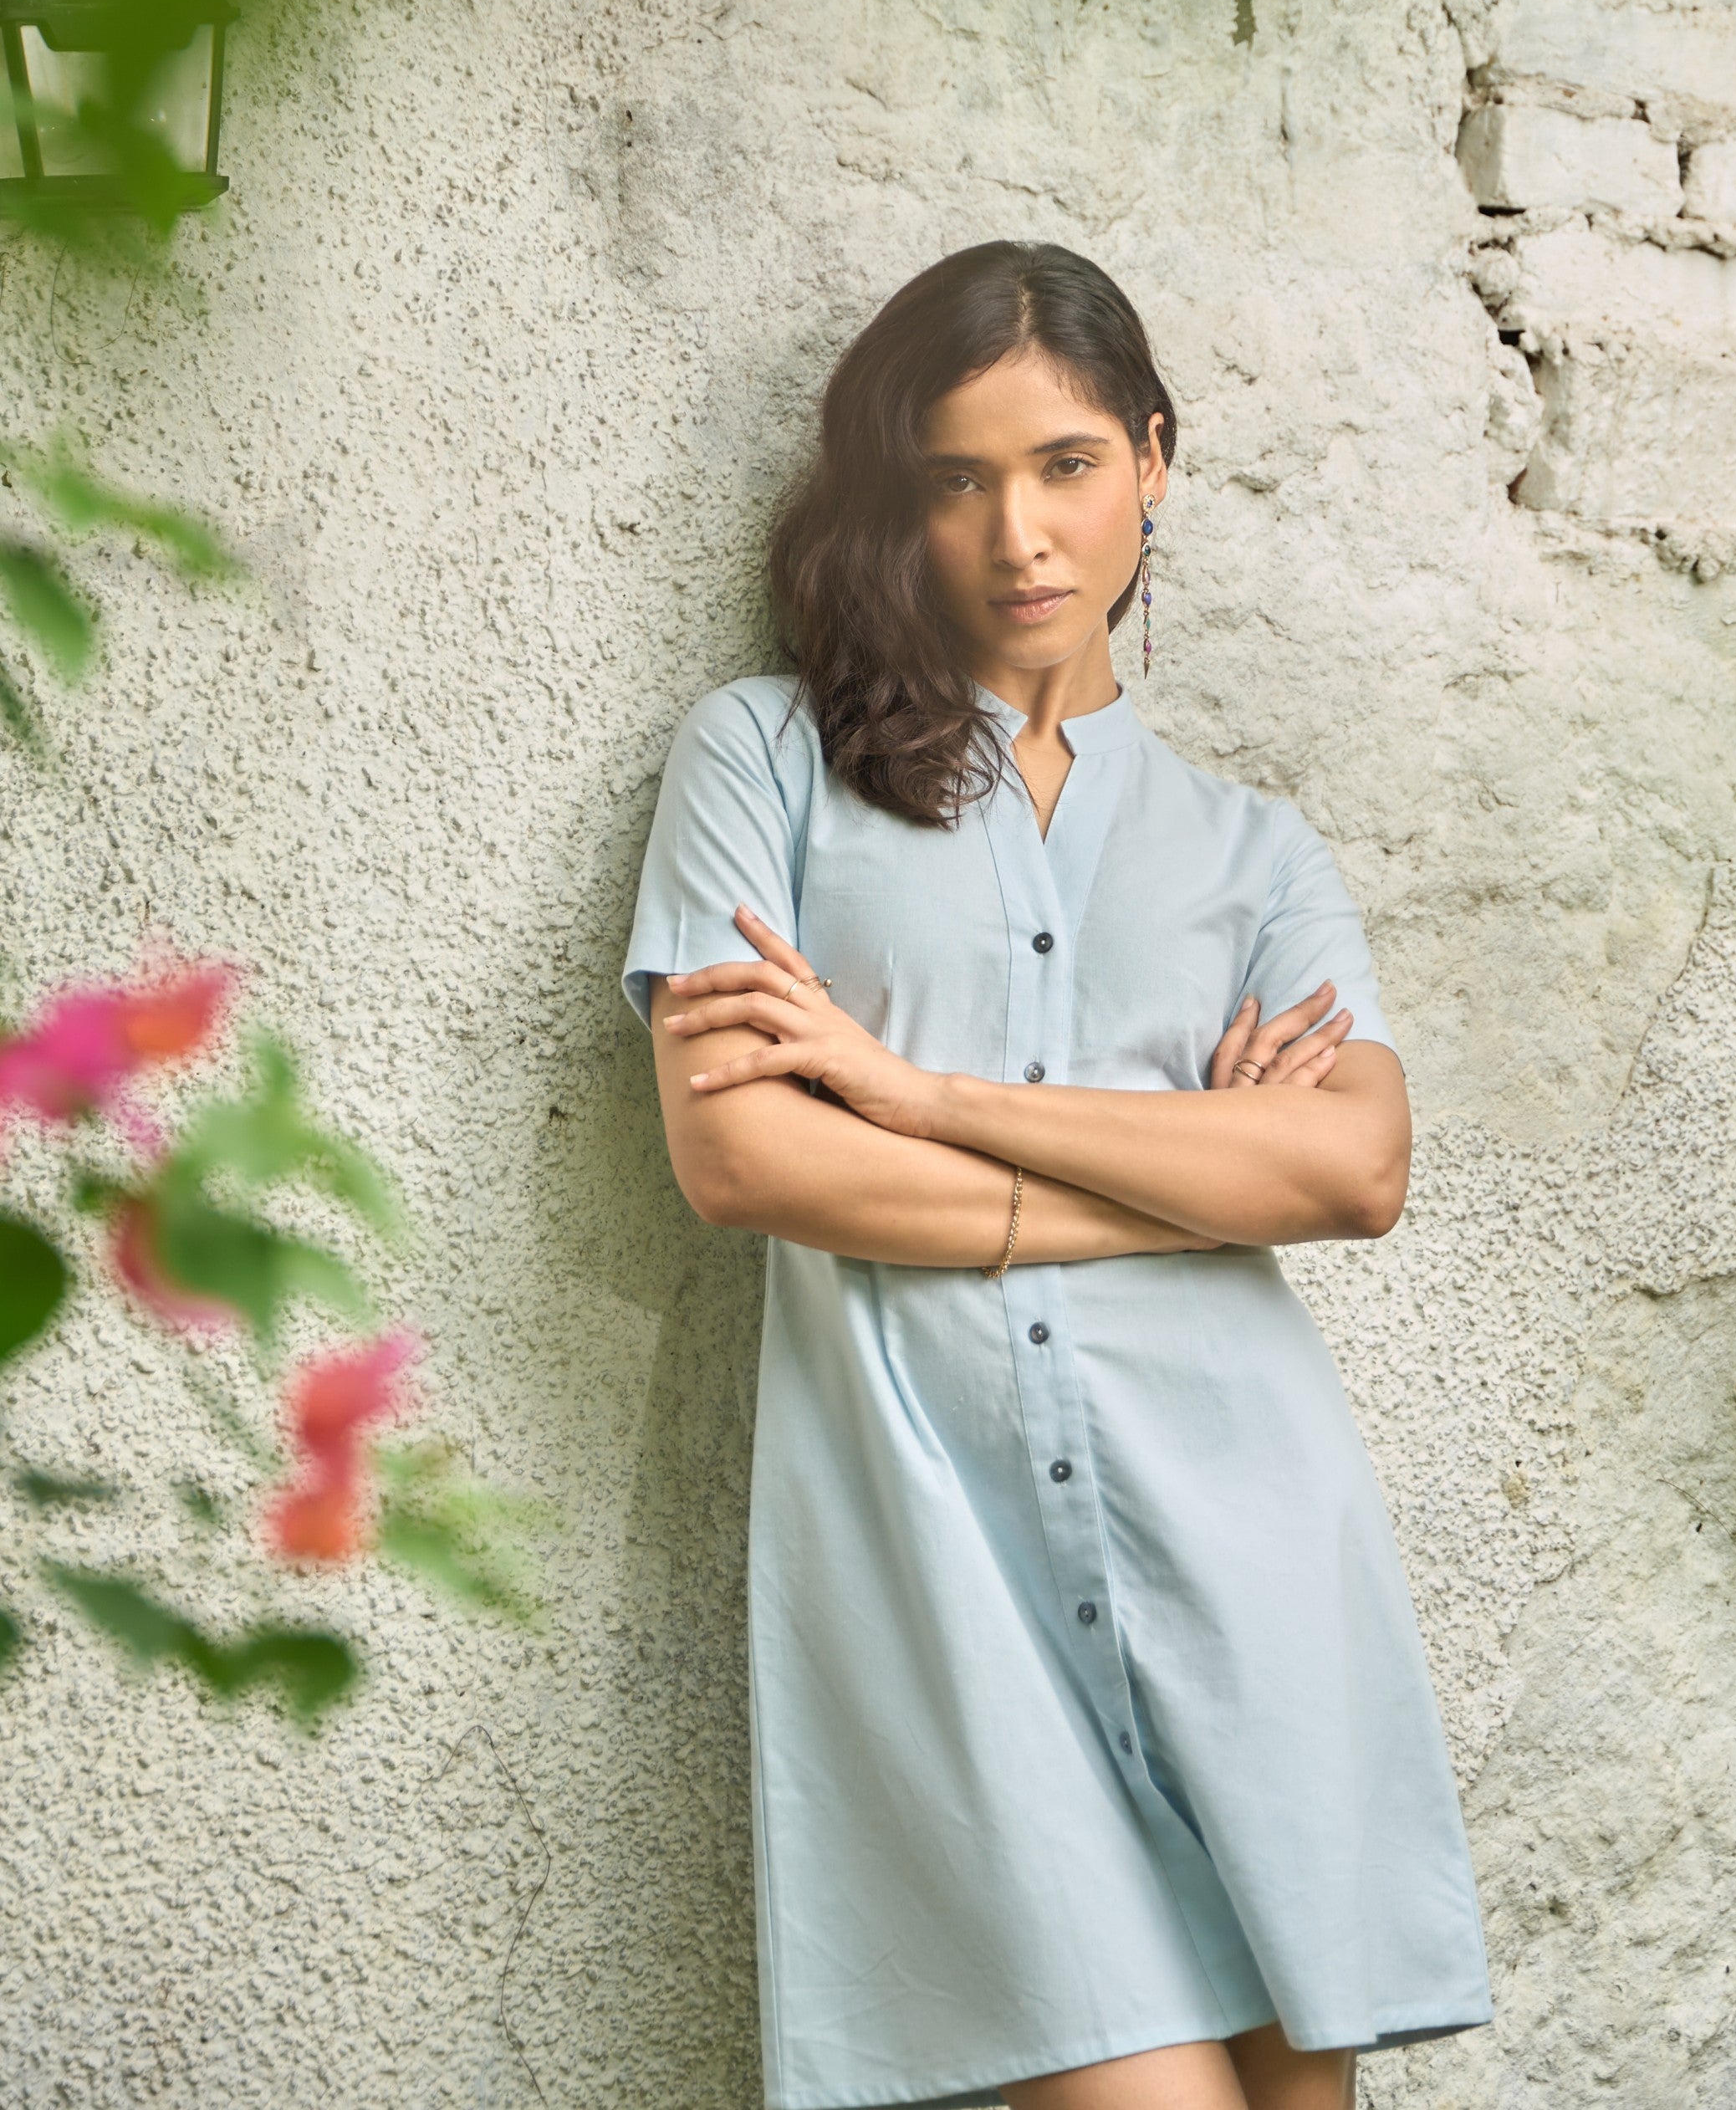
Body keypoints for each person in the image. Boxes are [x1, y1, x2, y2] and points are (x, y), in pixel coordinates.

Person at [626, 241, 1492, 2110]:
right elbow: (744, 1154)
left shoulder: (1253, 852)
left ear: (1153, 460)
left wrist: (915, 1097)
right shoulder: (760, 761)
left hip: (1246, 1560)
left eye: (1068, 463)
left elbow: (1354, 1165)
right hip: (942, 1590)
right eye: (956, 477)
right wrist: (1190, 1182)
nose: (1018, 533)